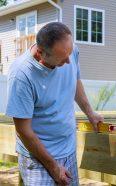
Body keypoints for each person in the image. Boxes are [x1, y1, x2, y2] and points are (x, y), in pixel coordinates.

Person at [5, 22, 103, 185]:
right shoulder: (22, 75)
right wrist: (53, 167)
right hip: (37, 158)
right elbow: (23, 130)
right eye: (62, 60)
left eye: (69, 54)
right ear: (41, 53)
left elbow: (74, 81)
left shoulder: (69, 51)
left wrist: (90, 112)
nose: (69, 61)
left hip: (68, 149)